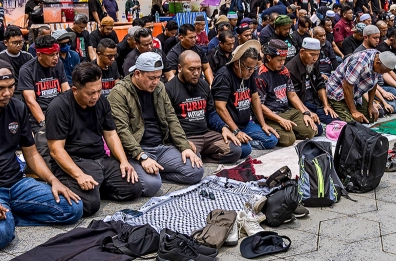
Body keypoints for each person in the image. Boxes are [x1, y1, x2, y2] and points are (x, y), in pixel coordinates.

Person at [0, 60, 81, 250]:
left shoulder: (17, 107)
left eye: (11, 87)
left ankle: (9, 216)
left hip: (16, 183)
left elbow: (32, 153)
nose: (7, 93)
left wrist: (53, 180)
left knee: (74, 208)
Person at [44, 62, 141, 216]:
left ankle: (97, 186)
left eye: (99, 90)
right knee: (90, 205)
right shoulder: (59, 106)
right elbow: (56, 150)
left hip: (100, 158)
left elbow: (110, 134)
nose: (96, 96)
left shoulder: (101, 101)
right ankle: (86, 186)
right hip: (75, 160)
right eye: (90, 93)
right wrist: (79, 175)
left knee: (133, 188)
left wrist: (123, 161)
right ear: (75, 90)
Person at [107, 53, 204, 197]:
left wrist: (184, 146)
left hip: (161, 146)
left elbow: (171, 118)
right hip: (137, 149)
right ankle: (153, 175)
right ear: (138, 73)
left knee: (196, 170)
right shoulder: (119, 93)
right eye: (152, 78)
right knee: (152, 186)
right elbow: (122, 131)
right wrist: (142, 157)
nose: (156, 81)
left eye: (159, 77)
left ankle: (159, 173)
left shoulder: (159, 87)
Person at [166, 50, 246, 165]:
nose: (196, 73)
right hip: (187, 137)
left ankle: (204, 159)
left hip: (207, 134)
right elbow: (167, 122)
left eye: (199, 69)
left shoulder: (203, 85)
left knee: (236, 150)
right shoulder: (169, 89)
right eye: (192, 69)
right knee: (191, 163)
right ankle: (199, 157)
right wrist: (182, 142)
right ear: (180, 68)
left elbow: (211, 113)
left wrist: (223, 127)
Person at [254, 40, 320, 146]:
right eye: (279, 60)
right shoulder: (260, 76)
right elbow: (259, 105)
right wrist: (280, 120)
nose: (282, 63)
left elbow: (292, 94)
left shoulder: (284, 70)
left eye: (284, 60)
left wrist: (305, 113)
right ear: (269, 58)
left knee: (312, 130)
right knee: (288, 139)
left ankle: (290, 129)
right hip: (271, 114)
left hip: (287, 110)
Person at [325, 48, 396, 124]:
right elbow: (346, 87)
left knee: (371, 117)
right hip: (338, 92)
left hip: (355, 93)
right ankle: (333, 107)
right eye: (382, 71)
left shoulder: (379, 58)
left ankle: (348, 108)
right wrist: (354, 111)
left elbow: (374, 82)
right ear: (377, 63)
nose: (382, 74)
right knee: (351, 123)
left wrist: (371, 105)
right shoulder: (359, 62)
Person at [19, 34, 70, 130]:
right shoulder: (27, 70)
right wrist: (44, 124)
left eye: (57, 53)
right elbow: (31, 101)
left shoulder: (58, 64)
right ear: (39, 55)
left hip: (58, 110)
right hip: (38, 115)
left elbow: (66, 90)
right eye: (51, 55)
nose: (56, 58)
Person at [285, 38, 338, 125]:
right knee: (317, 128)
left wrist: (326, 105)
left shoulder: (314, 62)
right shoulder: (291, 69)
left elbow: (320, 84)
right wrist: (307, 112)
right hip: (302, 104)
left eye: (317, 55)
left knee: (335, 121)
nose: (315, 58)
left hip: (315, 102)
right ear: (302, 52)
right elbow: (294, 97)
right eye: (312, 54)